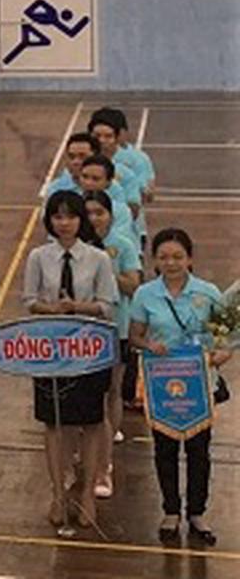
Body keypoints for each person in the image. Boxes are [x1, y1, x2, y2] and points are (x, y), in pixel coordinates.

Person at [22, 190, 117, 535]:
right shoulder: (38, 257)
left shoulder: (97, 258)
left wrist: (76, 307)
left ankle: (88, 492)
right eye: (58, 216)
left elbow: (107, 305)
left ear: (81, 220)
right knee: (54, 423)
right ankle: (58, 494)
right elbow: (29, 300)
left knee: (90, 422)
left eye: (71, 216)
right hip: (50, 349)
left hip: (89, 349)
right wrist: (50, 309)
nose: (64, 223)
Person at [128, 228, 223, 546]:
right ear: (154, 260)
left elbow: (224, 334)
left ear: (190, 258)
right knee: (164, 450)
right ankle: (170, 511)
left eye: (178, 257)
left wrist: (222, 353)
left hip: (200, 385)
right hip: (161, 385)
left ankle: (197, 512)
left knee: (199, 452)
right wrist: (148, 345)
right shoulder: (145, 295)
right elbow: (135, 336)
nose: (171, 263)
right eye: (164, 257)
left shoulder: (208, 293)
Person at [84, 189, 141, 499]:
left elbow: (134, 286)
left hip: (115, 329)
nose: (94, 219)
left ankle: (104, 465)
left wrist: (105, 266)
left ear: (110, 215)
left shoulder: (123, 244)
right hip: (81, 333)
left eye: (99, 212)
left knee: (111, 391)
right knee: (84, 397)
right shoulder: (73, 247)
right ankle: (81, 456)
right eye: (88, 213)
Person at [91, 106, 155, 246]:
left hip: (130, 231)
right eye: (97, 136)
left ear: (118, 135)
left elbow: (146, 196)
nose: (101, 140)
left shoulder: (137, 159)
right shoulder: (86, 160)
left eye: (107, 136)